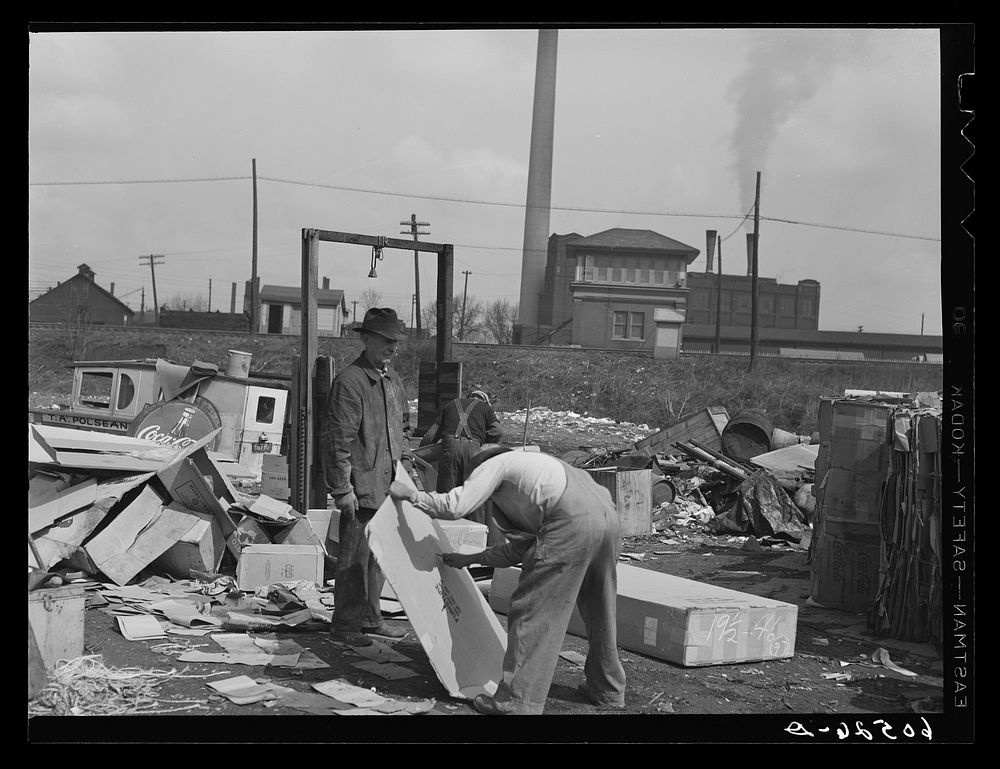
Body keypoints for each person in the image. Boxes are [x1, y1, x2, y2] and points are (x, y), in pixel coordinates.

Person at [388, 444, 627, 715]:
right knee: (600, 610)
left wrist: (410, 494)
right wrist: (472, 558)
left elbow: (455, 507)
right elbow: (526, 546)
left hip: (571, 521)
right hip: (607, 516)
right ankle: (607, 689)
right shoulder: (538, 468)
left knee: (533, 612)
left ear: (480, 465)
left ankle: (518, 702)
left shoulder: (496, 465)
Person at [323, 307, 411, 647]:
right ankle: (345, 626)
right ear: (366, 339)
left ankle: (371, 618)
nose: (392, 348)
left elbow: (403, 429)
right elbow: (338, 442)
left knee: (377, 558)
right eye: (386, 341)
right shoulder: (350, 382)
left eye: (396, 342)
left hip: (387, 486)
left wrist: (405, 473)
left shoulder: (392, 382)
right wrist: (342, 489)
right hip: (360, 489)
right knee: (353, 559)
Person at [419, 387, 503, 503]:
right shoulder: (486, 408)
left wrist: (420, 453)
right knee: (472, 498)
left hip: (450, 449)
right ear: (484, 401)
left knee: (446, 499)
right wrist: (485, 448)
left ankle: (446, 520)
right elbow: (497, 432)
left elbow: (430, 435)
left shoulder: (450, 405)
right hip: (474, 451)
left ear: (468, 397)